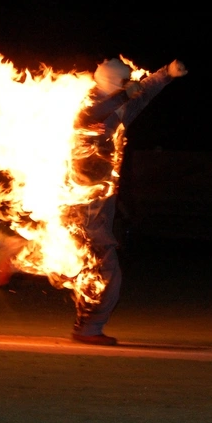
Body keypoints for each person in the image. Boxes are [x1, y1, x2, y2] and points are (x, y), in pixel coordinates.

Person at [69, 57, 188, 345]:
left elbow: (141, 95)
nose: (131, 85)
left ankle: (17, 250)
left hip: (97, 205)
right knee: (106, 272)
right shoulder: (86, 106)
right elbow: (95, 112)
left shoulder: (118, 109)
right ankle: (89, 329)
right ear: (115, 84)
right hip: (85, 209)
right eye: (125, 83)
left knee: (89, 268)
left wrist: (166, 74)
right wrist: (125, 93)